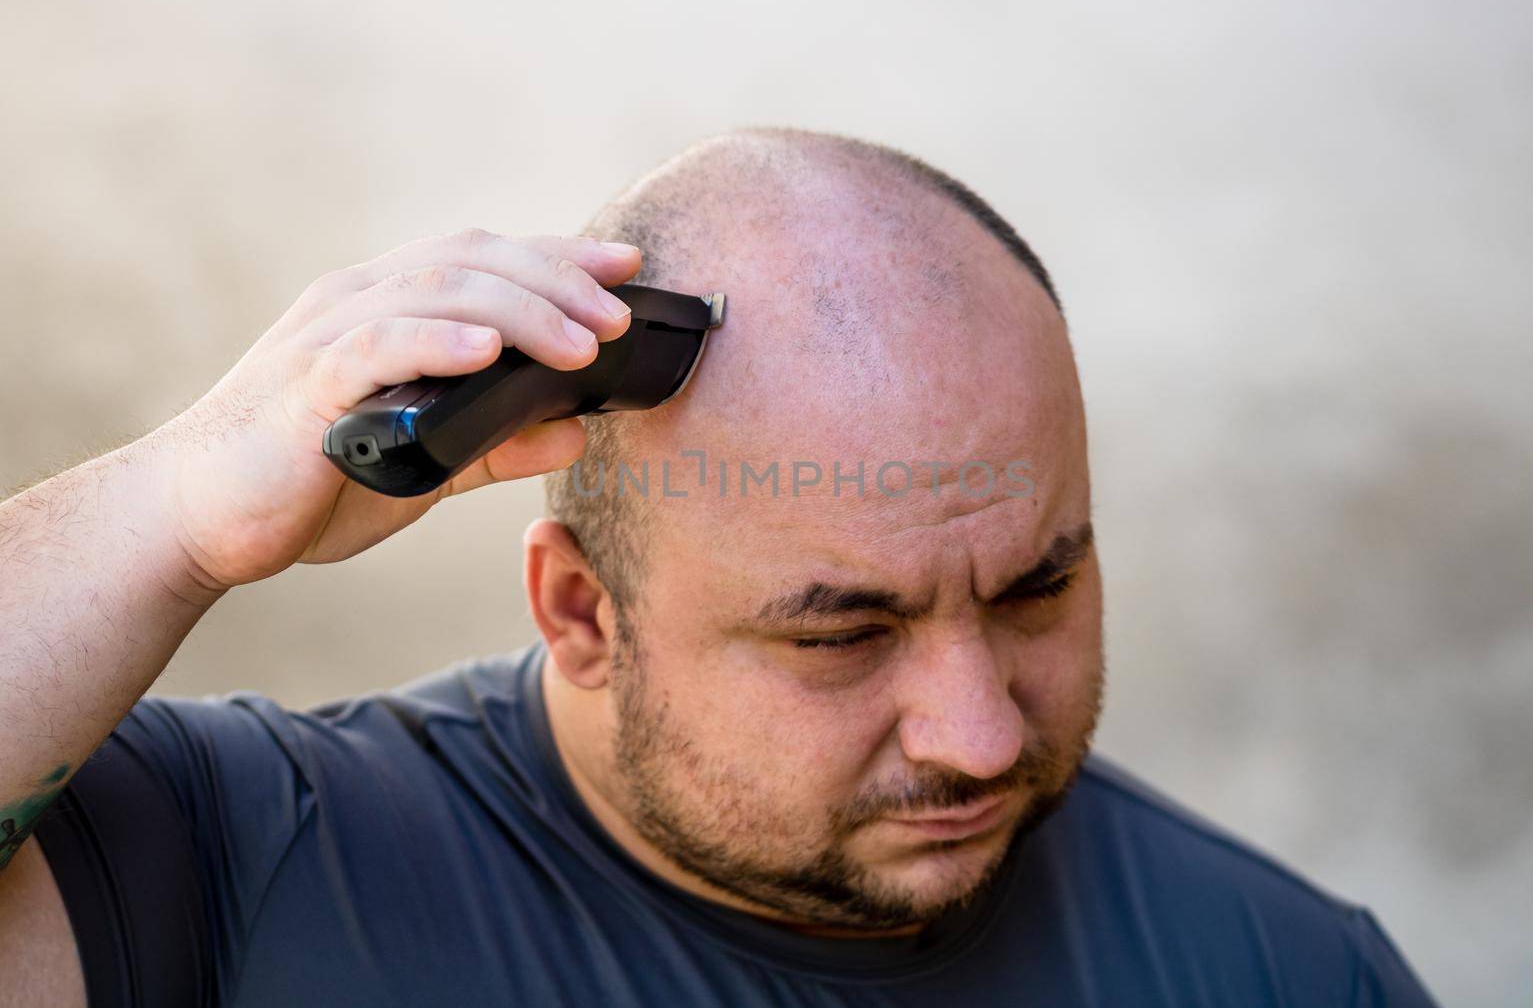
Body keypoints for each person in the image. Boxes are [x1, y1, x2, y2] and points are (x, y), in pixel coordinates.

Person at [0, 126, 1437, 1006]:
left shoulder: (1291, 974)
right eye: (842, 635)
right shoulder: (234, 865)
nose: (980, 731)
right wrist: (176, 510)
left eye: (1036, 590)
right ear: (580, 610)